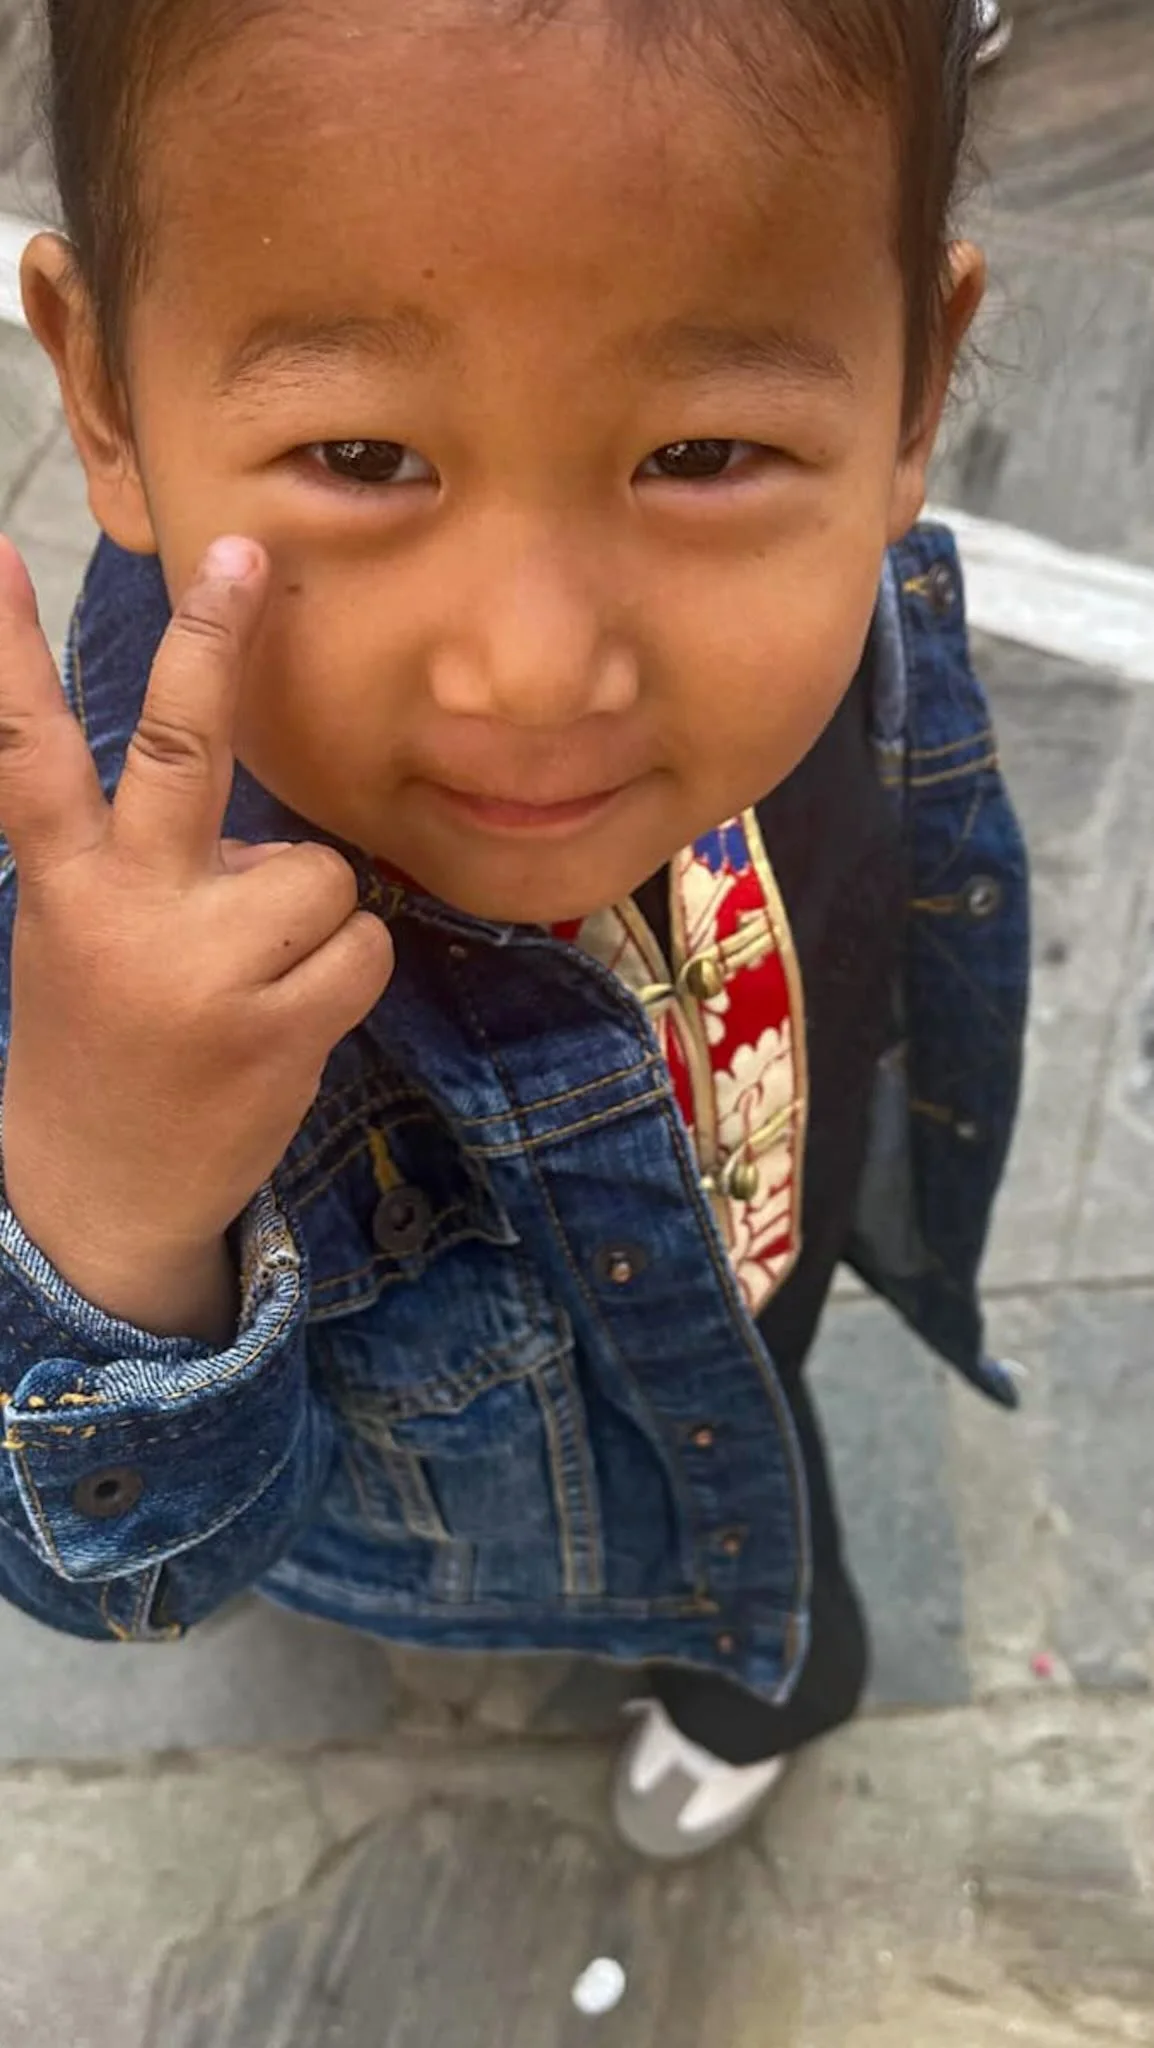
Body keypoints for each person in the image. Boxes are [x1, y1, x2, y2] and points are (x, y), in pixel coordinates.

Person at [0, 0, 1028, 1861]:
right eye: (364, 456)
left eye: (699, 455)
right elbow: (106, 1569)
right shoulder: (97, 968)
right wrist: (115, 1209)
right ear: (106, 397)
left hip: (757, 1259)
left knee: (761, 1463)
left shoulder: (848, 624)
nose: (539, 672)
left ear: (909, 396)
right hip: (434, 1486)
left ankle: (764, 1670)